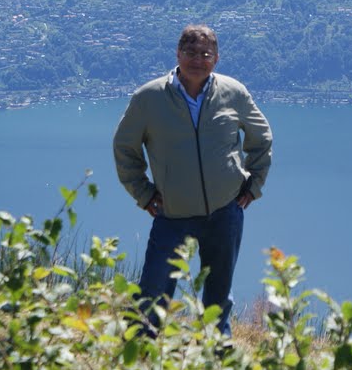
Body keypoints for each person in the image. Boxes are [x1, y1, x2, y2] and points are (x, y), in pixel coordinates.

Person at [113, 24, 272, 336]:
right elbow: (124, 147)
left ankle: (217, 352)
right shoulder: (149, 98)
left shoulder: (233, 93)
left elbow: (262, 137)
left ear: (216, 58)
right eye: (191, 52)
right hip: (172, 214)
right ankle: (141, 348)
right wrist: (143, 194)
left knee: (218, 294)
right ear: (178, 54)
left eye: (205, 53)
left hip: (225, 212)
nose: (198, 59)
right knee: (154, 291)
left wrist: (254, 185)